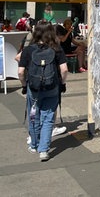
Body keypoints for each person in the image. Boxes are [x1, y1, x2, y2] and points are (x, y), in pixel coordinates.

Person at [17, 20, 69, 161]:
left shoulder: (28, 50)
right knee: (48, 119)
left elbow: (21, 72)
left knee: (34, 117)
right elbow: (64, 70)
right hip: (52, 88)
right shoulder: (57, 48)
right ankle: (44, 150)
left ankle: (34, 145)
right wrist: (62, 84)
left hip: (33, 89)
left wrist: (23, 86)